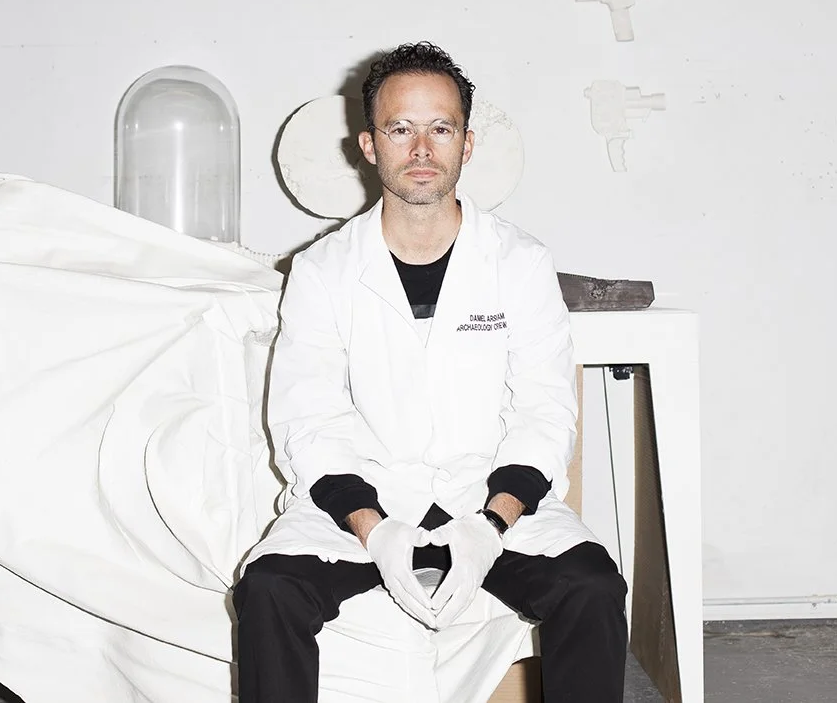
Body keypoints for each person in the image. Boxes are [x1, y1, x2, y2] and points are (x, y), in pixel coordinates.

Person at [233, 42, 628, 702]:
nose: (421, 149)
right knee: (270, 588)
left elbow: (546, 410)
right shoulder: (324, 270)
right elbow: (308, 419)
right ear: (368, 144)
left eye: (440, 128)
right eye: (400, 128)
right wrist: (376, 529)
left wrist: (490, 525)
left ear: (467, 144)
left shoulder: (519, 262)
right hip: (366, 509)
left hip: (487, 504)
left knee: (592, 587)